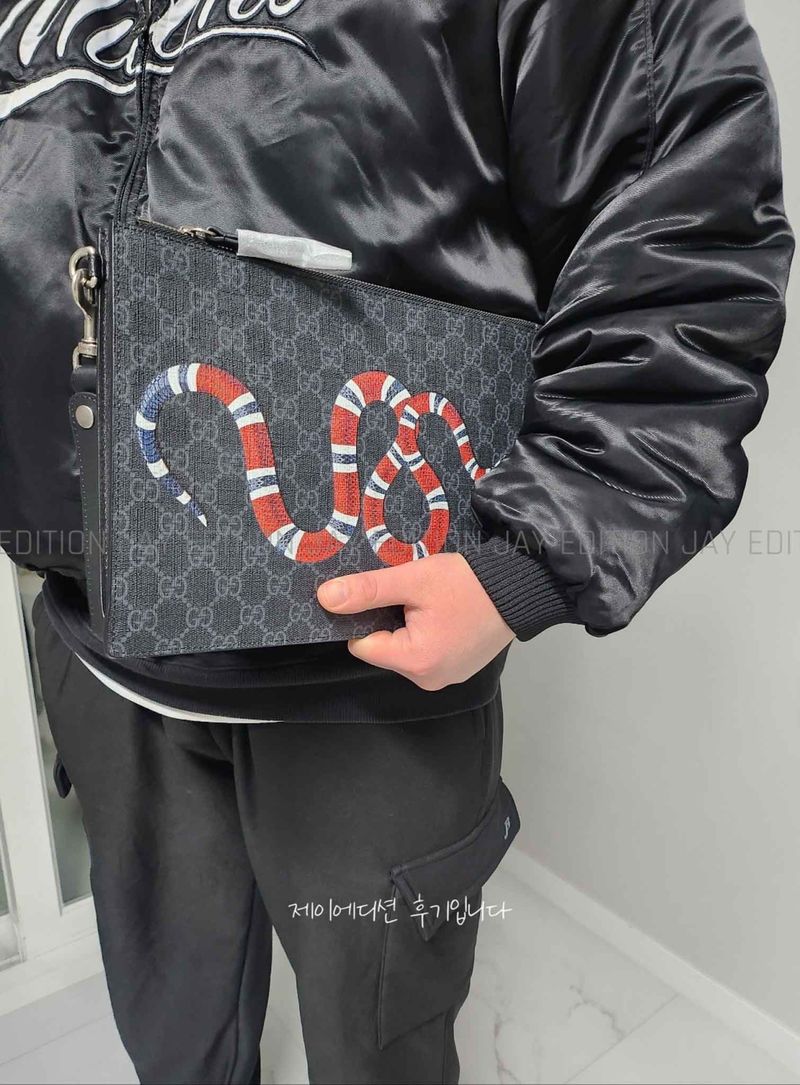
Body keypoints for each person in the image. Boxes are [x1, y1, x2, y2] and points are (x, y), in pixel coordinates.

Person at [0, 0, 793, 1082]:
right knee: (172, 1023)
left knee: (380, 1041)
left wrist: (529, 558)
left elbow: (680, 223)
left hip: (368, 669)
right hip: (92, 638)